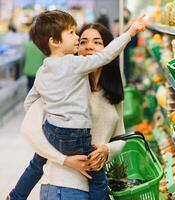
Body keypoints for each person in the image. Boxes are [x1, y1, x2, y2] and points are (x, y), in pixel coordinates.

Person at [8, 9, 145, 200]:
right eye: (81, 41)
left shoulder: (112, 95)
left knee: (38, 163)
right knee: (40, 162)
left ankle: (15, 196)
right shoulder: (69, 73)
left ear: (107, 48)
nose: (88, 46)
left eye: (97, 42)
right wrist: (65, 160)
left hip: (86, 185)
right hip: (62, 186)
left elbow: (120, 138)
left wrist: (106, 150)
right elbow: (31, 128)